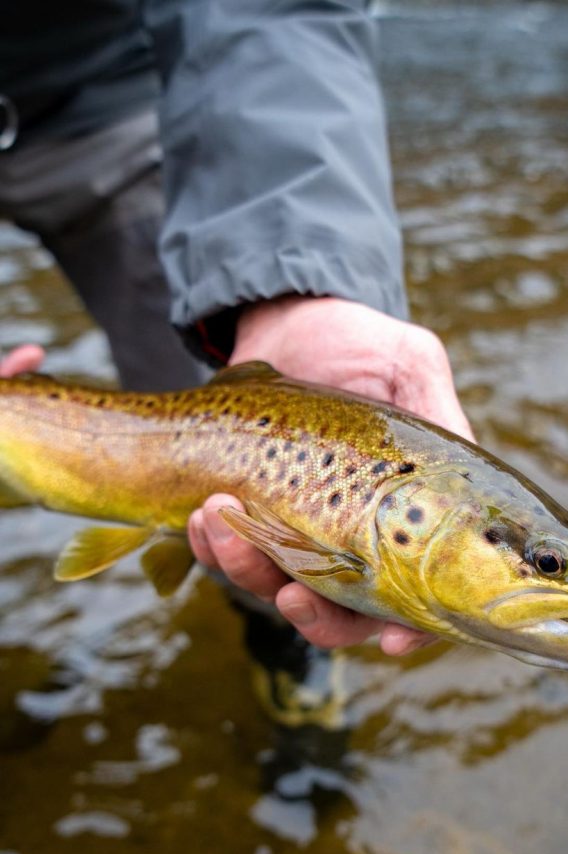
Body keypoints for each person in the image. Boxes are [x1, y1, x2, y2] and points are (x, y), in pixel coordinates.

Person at [0, 0, 473, 664]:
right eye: (546, 563)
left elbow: (273, 13)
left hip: (104, 96)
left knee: (207, 384)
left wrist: (293, 293)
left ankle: (285, 651)